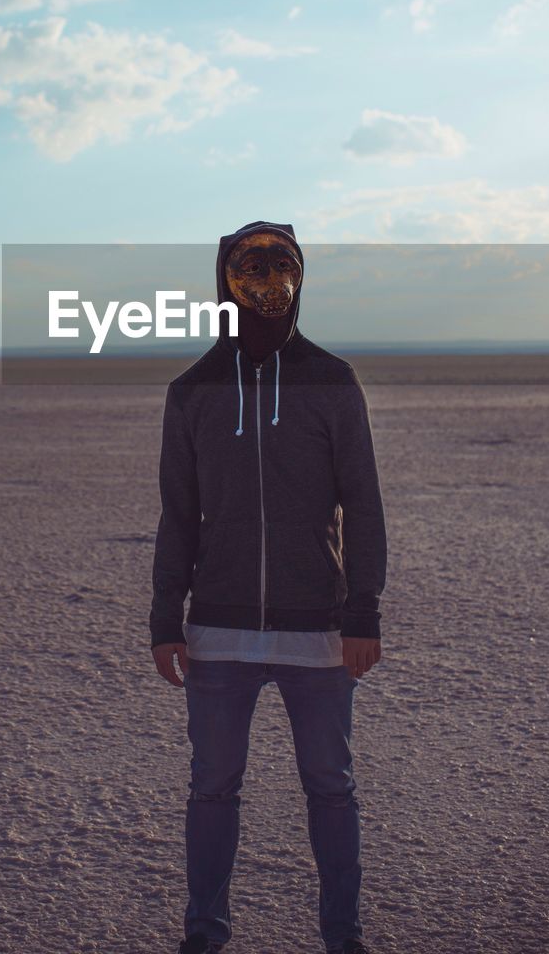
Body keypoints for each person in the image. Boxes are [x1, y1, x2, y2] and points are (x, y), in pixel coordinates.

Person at [149, 221, 387, 954]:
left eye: (281, 261)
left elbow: (364, 502)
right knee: (212, 789)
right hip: (217, 632)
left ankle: (342, 939)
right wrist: (165, 617)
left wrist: (363, 611)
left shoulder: (331, 381)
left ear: (300, 275)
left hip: (318, 627)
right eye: (250, 263)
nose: (267, 275)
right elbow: (177, 514)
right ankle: (204, 936)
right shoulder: (193, 391)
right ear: (224, 277)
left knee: (331, 788)